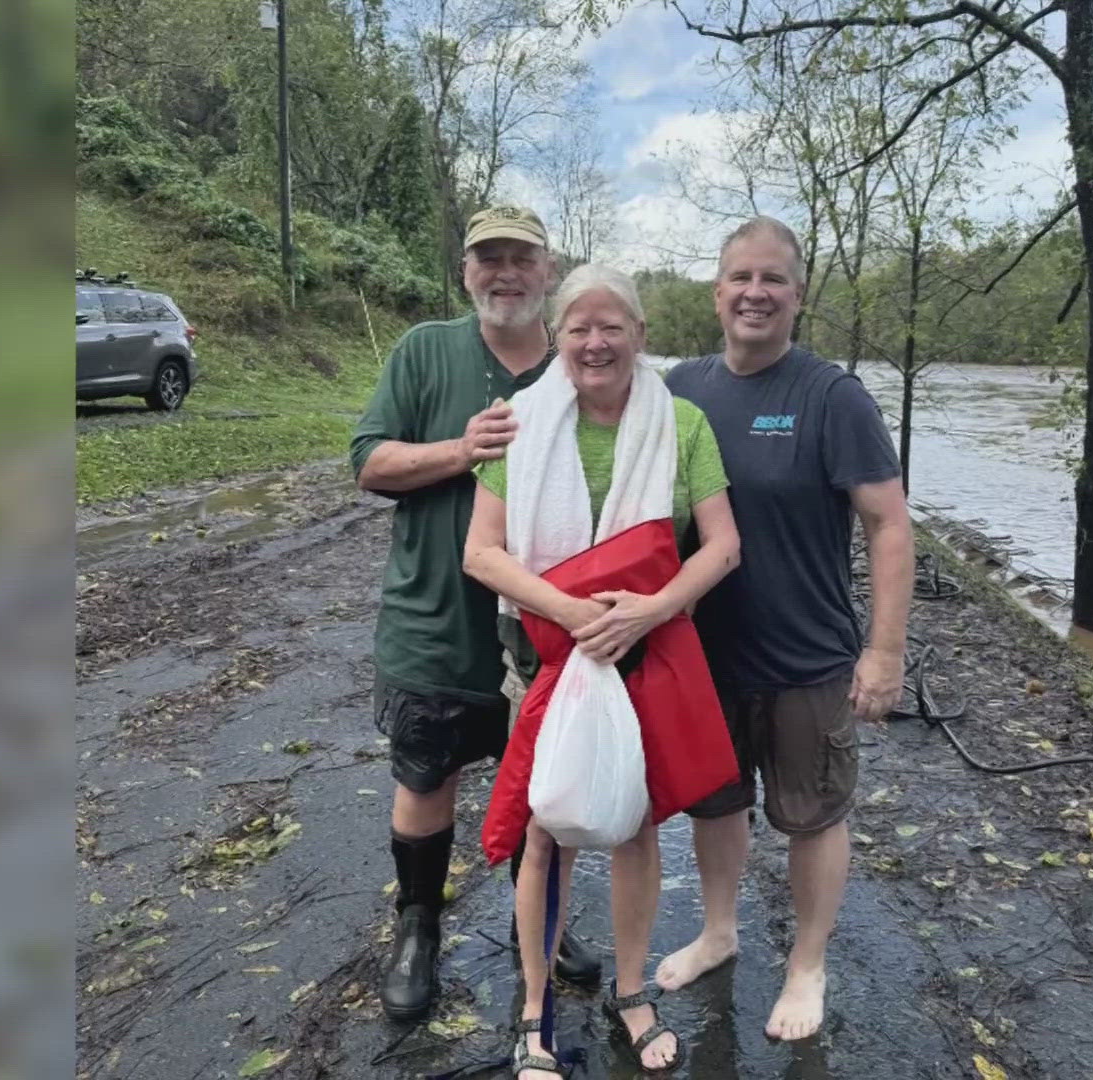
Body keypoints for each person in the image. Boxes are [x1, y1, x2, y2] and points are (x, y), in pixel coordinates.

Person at [463, 264, 742, 1077]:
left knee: (634, 820)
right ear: (558, 338)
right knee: (548, 825)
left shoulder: (681, 424)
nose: (595, 341)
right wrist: (571, 611)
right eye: (579, 326)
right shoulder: (521, 421)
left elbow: (723, 544)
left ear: (640, 336)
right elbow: (481, 552)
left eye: (612, 325)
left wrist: (650, 611)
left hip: (644, 653)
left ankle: (629, 991)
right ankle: (534, 1009)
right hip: (556, 652)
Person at [658, 216, 916, 1041]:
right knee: (715, 802)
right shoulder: (682, 388)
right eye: (741, 277)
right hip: (706, 655)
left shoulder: (830, 396)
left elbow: (889, 525)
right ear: (717, 291)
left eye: (773, 279)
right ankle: (719, 930)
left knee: (814, 815)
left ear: (798, 296)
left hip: (808, 659)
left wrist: (883, 651)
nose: (755, 293)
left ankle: (807, 964)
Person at [348, 205, 601, 1023]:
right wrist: (463, 449)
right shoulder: (425, 350)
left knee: (549, 788)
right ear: (465, 272)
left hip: (547, 629)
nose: (505, 273)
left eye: (521, 259)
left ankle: (547, 926)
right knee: (427, 777)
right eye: (488, 259)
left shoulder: (578, 369)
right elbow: (370, 462)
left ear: (548, 270)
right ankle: (417, 928)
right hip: (433, 621)